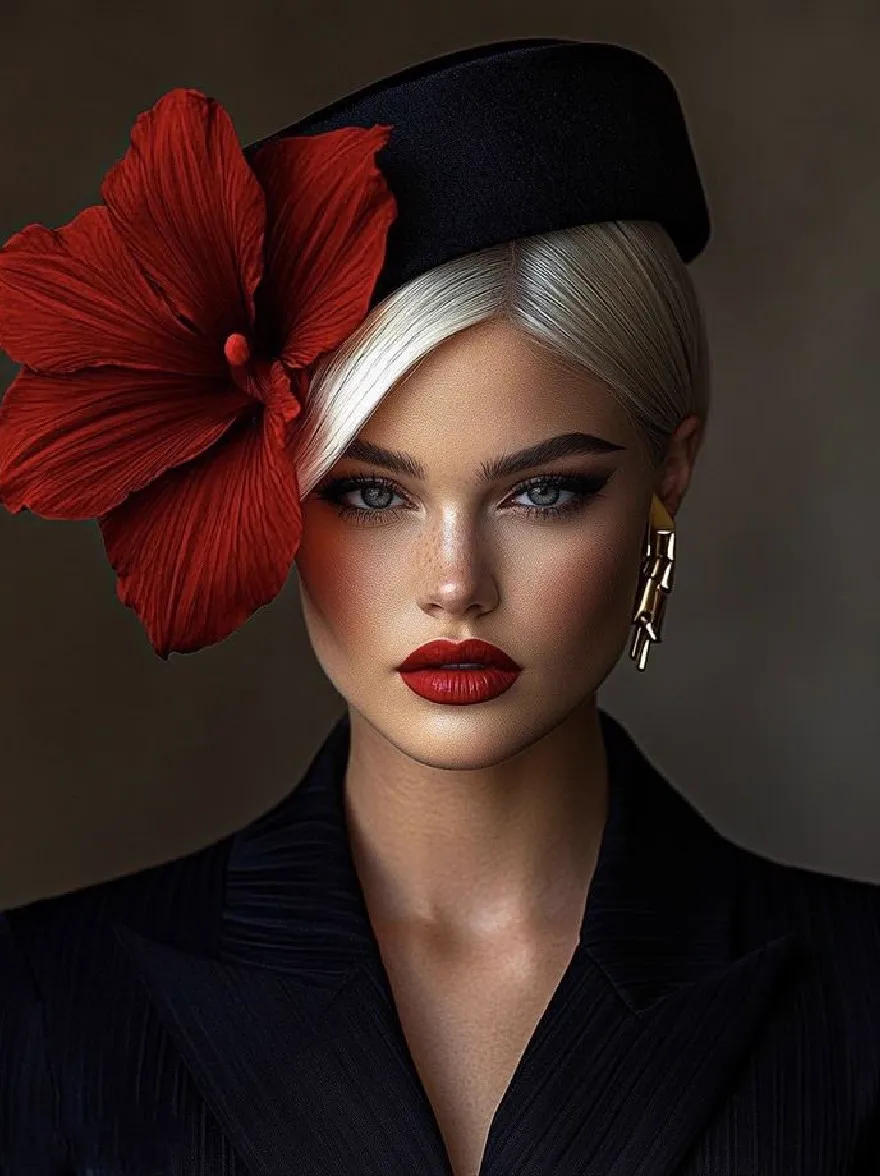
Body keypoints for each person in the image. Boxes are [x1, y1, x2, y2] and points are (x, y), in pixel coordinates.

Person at [0, 36, 878, 1176]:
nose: (455, 580)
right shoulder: (44, 1010)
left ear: (669, 478)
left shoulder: (856, 1008)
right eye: (371, 493)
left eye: (544, 491)